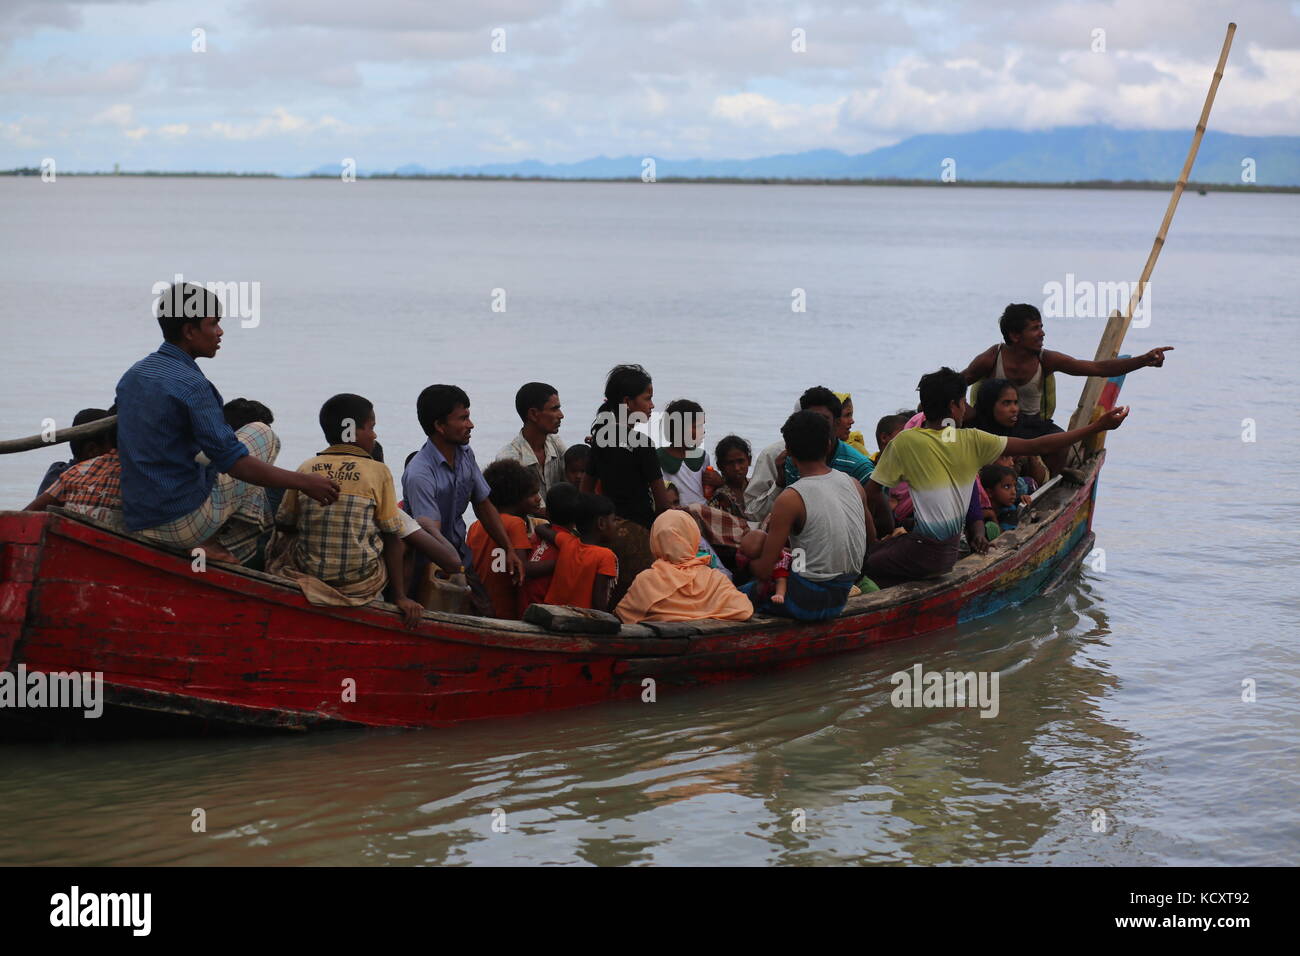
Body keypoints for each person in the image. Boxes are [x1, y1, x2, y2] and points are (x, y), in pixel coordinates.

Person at [115, 282, 338, 564]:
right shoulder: (192, 385)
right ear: (189, 331)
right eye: (214, 324)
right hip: (177, 522)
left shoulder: (134, 374)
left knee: (227, 460)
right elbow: (236, 464)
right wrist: (304, 482)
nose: (220, 332)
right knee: (261, 434)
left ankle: (209, 539)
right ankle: (214, 543)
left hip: (139, 513)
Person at [866, 367, 1130, 587]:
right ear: (954, 407)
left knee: (864, 563)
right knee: (889, 549)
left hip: (925, 552)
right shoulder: (973, 440)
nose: (965, 408)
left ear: (924, 406)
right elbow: (1038, 446)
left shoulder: (905, 441)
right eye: (963, 402)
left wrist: (885, 531)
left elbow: (874, 491)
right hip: (945, 554)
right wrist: (1097, 427)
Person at [268, 393, 423, 629]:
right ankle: (392, 600)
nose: (374, 434)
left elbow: (285, 523)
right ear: (351, 430)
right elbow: (391, 536)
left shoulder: (307, 466)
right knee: (395, 534)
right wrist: (400, 596)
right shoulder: (379, 471)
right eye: (371, 427)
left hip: (310, 575)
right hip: (360, 584)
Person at [961, 303, 1171, 472]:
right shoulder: (991, 358)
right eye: (1035, 328)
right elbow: (955, 385)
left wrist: (1143, 360)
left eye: (1041, 327)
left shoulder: (1047, 359)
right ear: (1015, 336)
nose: (1042, 333)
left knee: (1061, 446)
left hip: (1032, 425)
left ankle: (1051, 484)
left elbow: (1098, 368)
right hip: (992, 424)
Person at [741, 411, 873, 621]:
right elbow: (870, 540)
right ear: (829, 445)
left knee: (739, 591)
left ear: (789, 452)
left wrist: (746, 561)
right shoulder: (854, 484)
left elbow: (765, 571)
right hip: (842, 594)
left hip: (807, 602)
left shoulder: (790, 498)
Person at [402, 384, 525, 592]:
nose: (471, 424)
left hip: (462, 559)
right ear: (440, 426)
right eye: (463, 418)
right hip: (430, 570)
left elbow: (483, 504)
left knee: (486, 611)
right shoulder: (419, 474)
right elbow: (432, 535)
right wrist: (456, 568)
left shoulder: (465, 453)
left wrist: (508, 549)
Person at [780, 387, 891, 534]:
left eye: (823, 419)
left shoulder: (859, 467)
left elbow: (884, 525)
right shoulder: (792, 461)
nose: (814, 425)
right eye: (809, 418)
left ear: (836, 423)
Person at [614, 509, 753, 625]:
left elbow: (623, 616)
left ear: (655, 540)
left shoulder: (647, 580)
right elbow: (743, 610)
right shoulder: (715, 578)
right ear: (693, 538)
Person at [583, 364, 671, 528]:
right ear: (627, 402)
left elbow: (585, 492)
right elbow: (663, 505)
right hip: (640, 528)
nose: (652, 405)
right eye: (647, 398)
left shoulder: (600, 438)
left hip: (609, 527)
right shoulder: (642, 443)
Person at [467, 460, 551, 619]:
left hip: (482, 609)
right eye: (533, 494)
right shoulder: (515, 524)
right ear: (515, 497)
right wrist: (563, 560)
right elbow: (524, 569)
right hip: (507, 613)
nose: (538, 499)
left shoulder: (475, 526)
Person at [25, 412, 122, 524]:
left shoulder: (65, 473)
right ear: (92, 450)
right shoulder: (65, 473)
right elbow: (33, 514)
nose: (114, 454)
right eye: (113, 449)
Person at [495, 382, 567, 507]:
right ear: (533, 414)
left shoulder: (556, 443)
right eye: (554, 409)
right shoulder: (509, 458)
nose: (561, 415)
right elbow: (530, 508)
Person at [544, 493, 619, 612]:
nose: (616, 525)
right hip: (581, 620)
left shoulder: (567, 541)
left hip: (552, 613)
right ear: (601, 523)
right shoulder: (606, 556)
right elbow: (599, 602)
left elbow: (541, 529)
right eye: (614, 520)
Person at [973, 379, 1049, 486]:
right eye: (1006, 403)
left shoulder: (1020, 431)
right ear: (989, 405)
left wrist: (1029, 451)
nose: (1014, 409)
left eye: (1016, 403)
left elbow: (1041, 480)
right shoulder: (973, 436)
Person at [656, 398, 722, 507]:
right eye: (698, 426)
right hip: (675, 511)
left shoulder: (703, 456)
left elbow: (707, 488)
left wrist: (718, 481)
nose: (703, 431)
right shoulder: (658, 456)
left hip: (702, 509)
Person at [36, 407, 116, 495]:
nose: (117, 453)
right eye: (114, 447)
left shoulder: (58, 472)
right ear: (92, 450)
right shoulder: (64, 476)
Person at [708, 434, 751, 521]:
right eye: (730, 463)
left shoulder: (757, 487)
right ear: (720, 466)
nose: (737, 468)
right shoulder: (719, 496)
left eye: (740, 461)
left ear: (749, 460)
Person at [978, 463, 1023, 538]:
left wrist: (992, 516)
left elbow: (1004, 538)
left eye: (1014, 486)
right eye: (1007, 487)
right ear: (990, 492)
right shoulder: (978, 508)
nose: (1013, 492)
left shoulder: (1010, 510)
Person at [833, 392, 870, 456]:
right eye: (847, 415)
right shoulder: (813, 447)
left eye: (851, 415)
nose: (852, 421)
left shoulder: (856, 450)